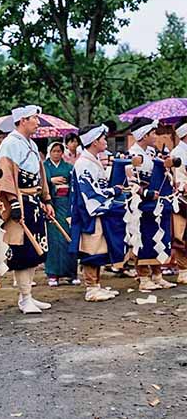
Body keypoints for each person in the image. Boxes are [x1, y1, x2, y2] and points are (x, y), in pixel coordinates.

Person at [0, 105, 55, 314]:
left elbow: (41, 174)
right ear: (22, 121)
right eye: (34, 119)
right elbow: (5, 176)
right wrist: (13, 203)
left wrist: (46, 199)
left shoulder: (31, 144)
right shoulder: (9, 144)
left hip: (34, 200)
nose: (37, 123)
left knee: (35, 250)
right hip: (19, 201)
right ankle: (25, 297)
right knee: (23, 251)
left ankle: (27, 295)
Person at [69, 124, 126, 302]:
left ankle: (97, 285)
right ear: (94, 141)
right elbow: (90, 192)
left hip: (96, 210)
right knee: (91, 249)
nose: (105, 141)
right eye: (102, 138)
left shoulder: (91, 160)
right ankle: (91, 287)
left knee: (99, 247)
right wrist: (114, 191)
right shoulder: (84, 163)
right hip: (88, 212)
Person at [125, 117, 177, 291]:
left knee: (158, 236)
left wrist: (167, 164)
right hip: (140, 204)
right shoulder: (133, 154)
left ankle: (157, 274)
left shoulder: (151, 152)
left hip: (157, 202)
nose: (156, 136)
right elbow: (129, 180)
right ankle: (143, 276)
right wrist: (144, 192)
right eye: (153, 132)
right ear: (144, 134)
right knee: (142, 238)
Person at [43, 142, 79, 286]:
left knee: (68, 237)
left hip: (66, 204)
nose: (57, 154)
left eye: (59, 151)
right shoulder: (44, 167)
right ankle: (53, 273)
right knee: (54, 239)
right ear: (49, 152)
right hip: (52, 204)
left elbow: (74, 186)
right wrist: (50, 181)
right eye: (54, 151)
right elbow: (40, 184)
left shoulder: (69, 167)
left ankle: (71, 273)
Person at [170, 118, 187, 285]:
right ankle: (183, 270)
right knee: (181, 236)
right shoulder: (177, 153)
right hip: (181, 199)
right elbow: (178, 178)